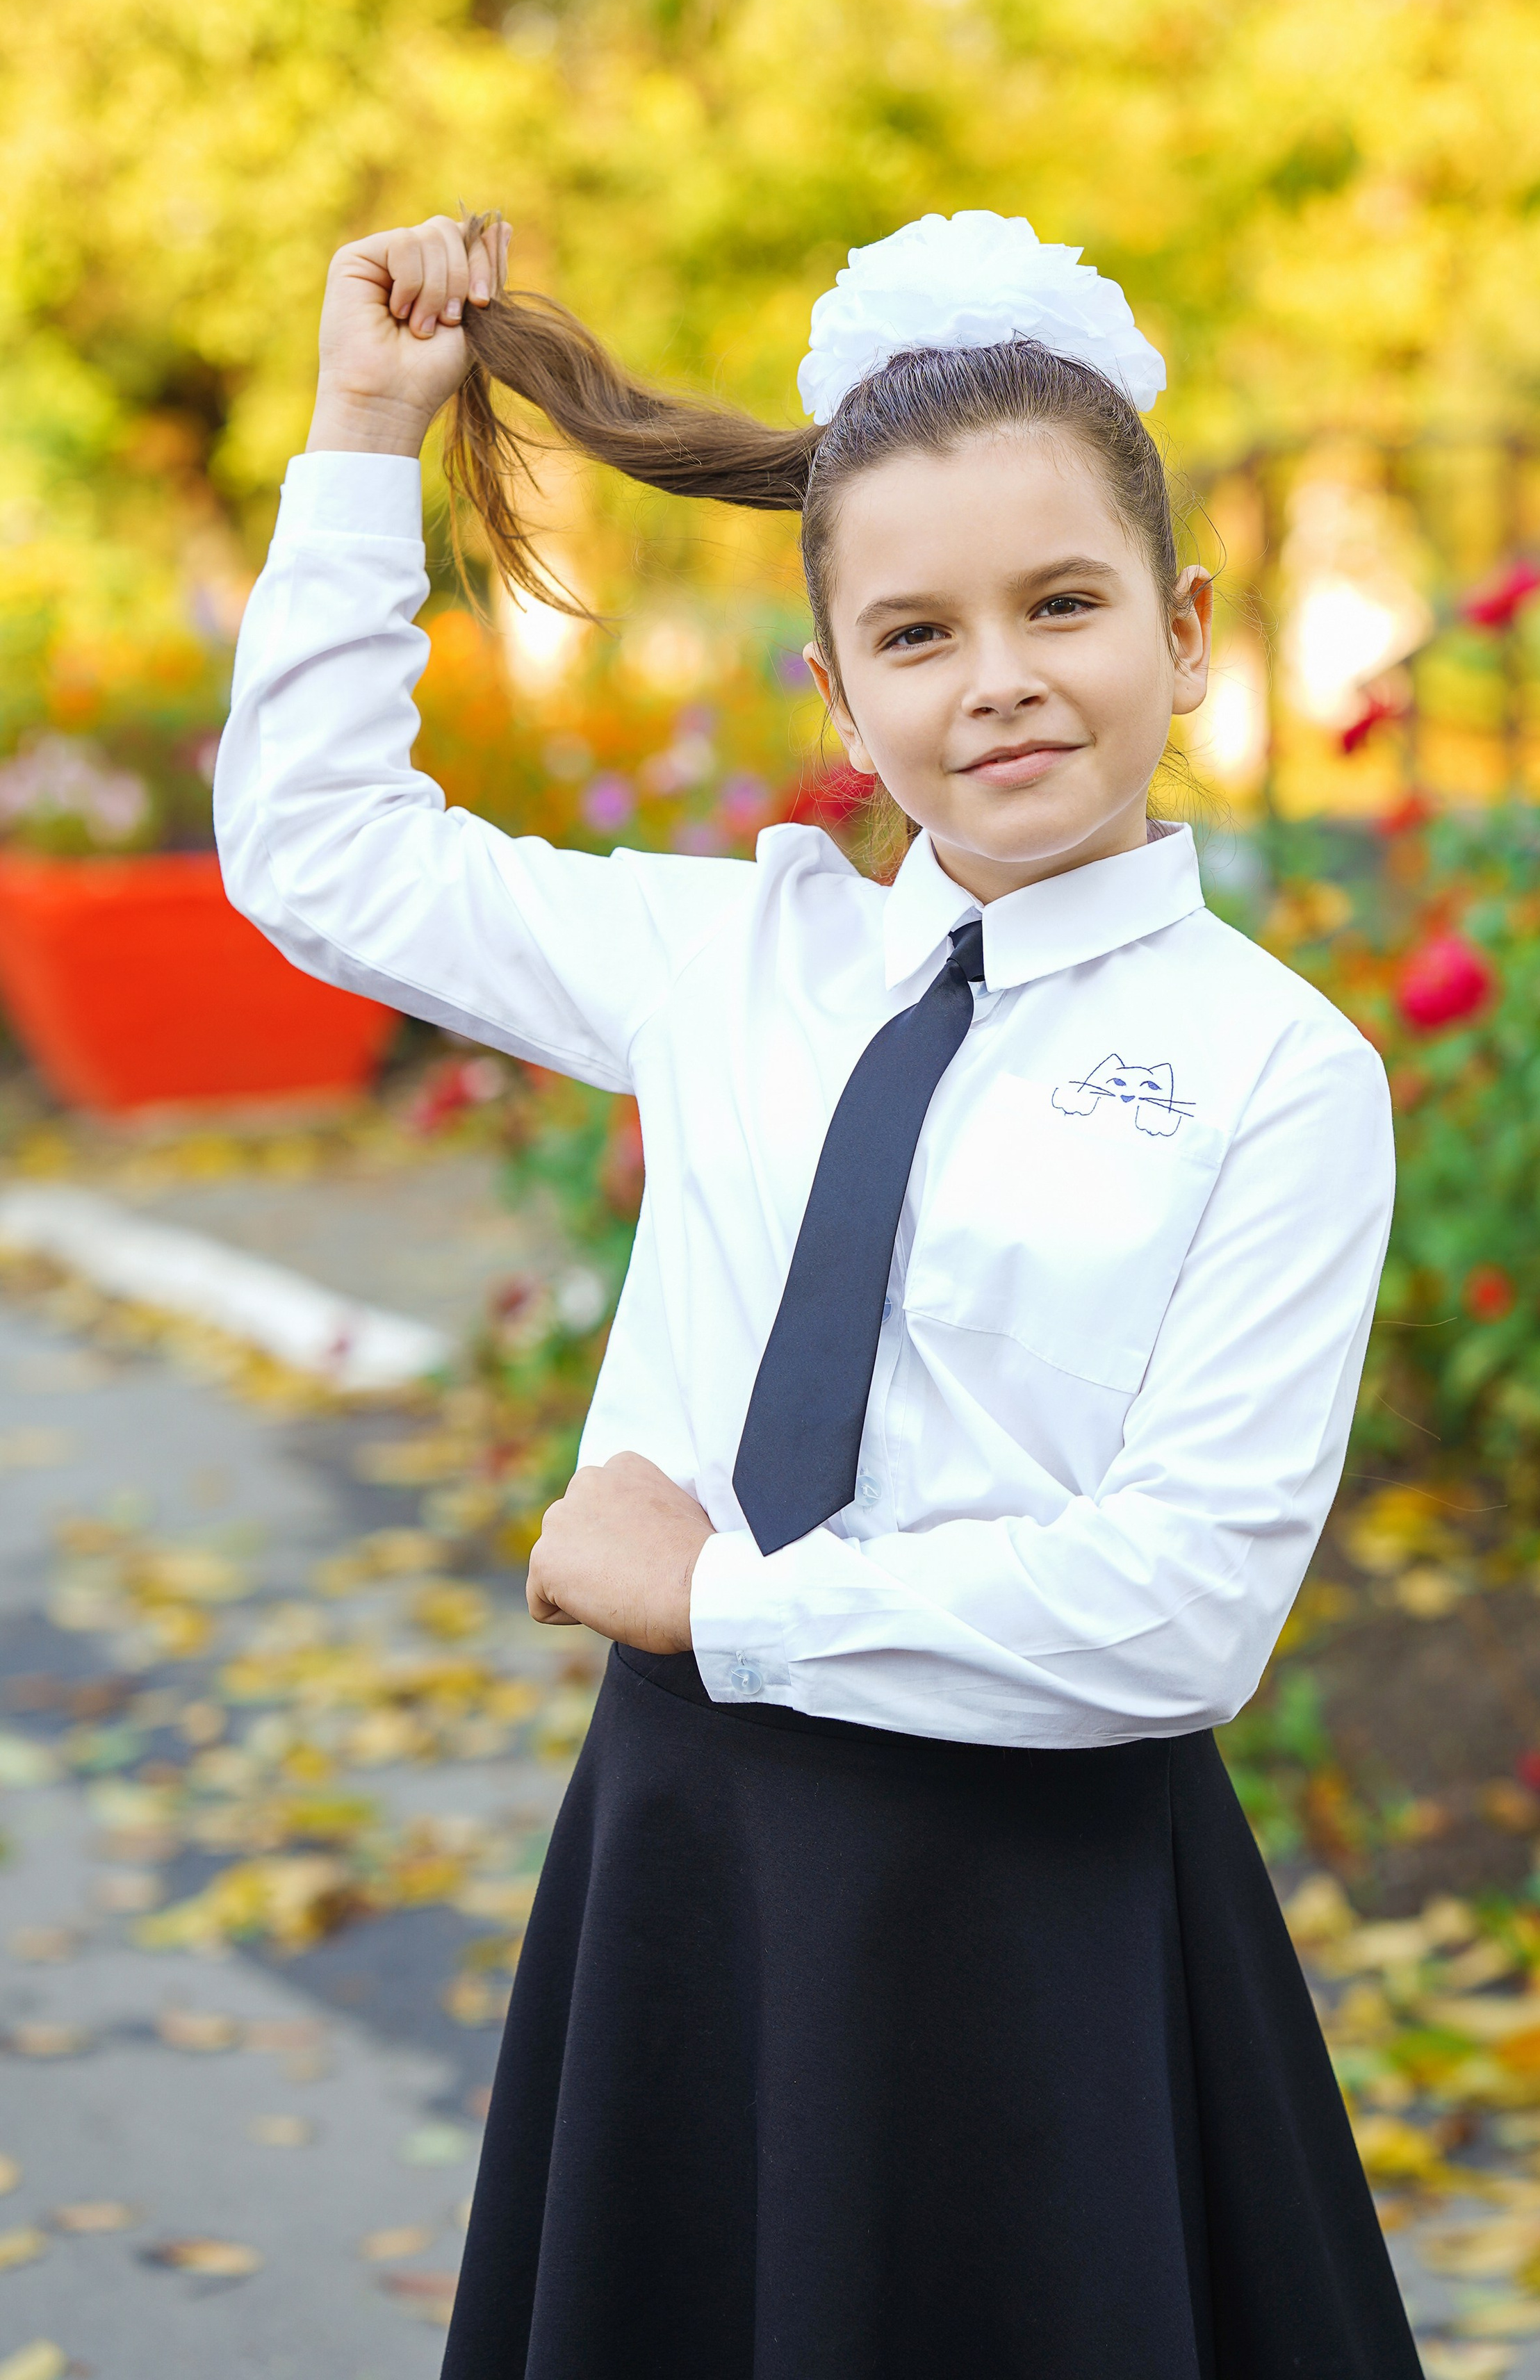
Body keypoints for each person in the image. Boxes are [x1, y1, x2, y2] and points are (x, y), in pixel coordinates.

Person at [215, 208, 1418, 2380]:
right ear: (838, 697)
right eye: (920, 633)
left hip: (1039, 1898)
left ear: (1191, 624)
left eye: (1063, 603)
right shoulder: (731, 963)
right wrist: (365, 435)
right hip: (698, 1871)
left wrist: (723, 1607)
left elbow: (1182, 1609)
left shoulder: (1279, 1076)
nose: (1003, 679)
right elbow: (320, 855)